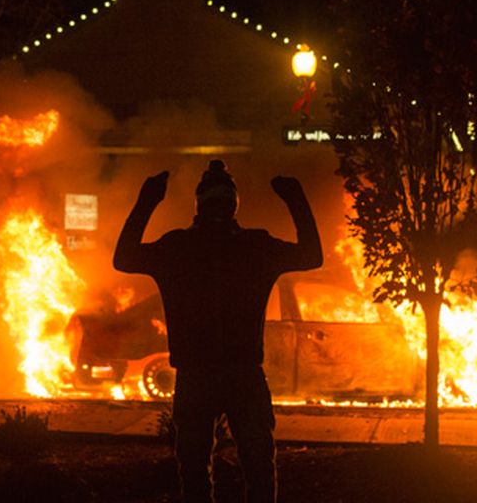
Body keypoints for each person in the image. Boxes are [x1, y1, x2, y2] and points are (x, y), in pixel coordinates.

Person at [114, 160, 322, 503]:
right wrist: (295, 198)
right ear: (233, 204)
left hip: (195, 377)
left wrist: (148, 200)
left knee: (194, 472)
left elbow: (124, 258)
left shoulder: (176, 248)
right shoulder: (256, 247)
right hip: (244, 376)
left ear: (199, 204)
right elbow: (311, 255)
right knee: (258, 469)